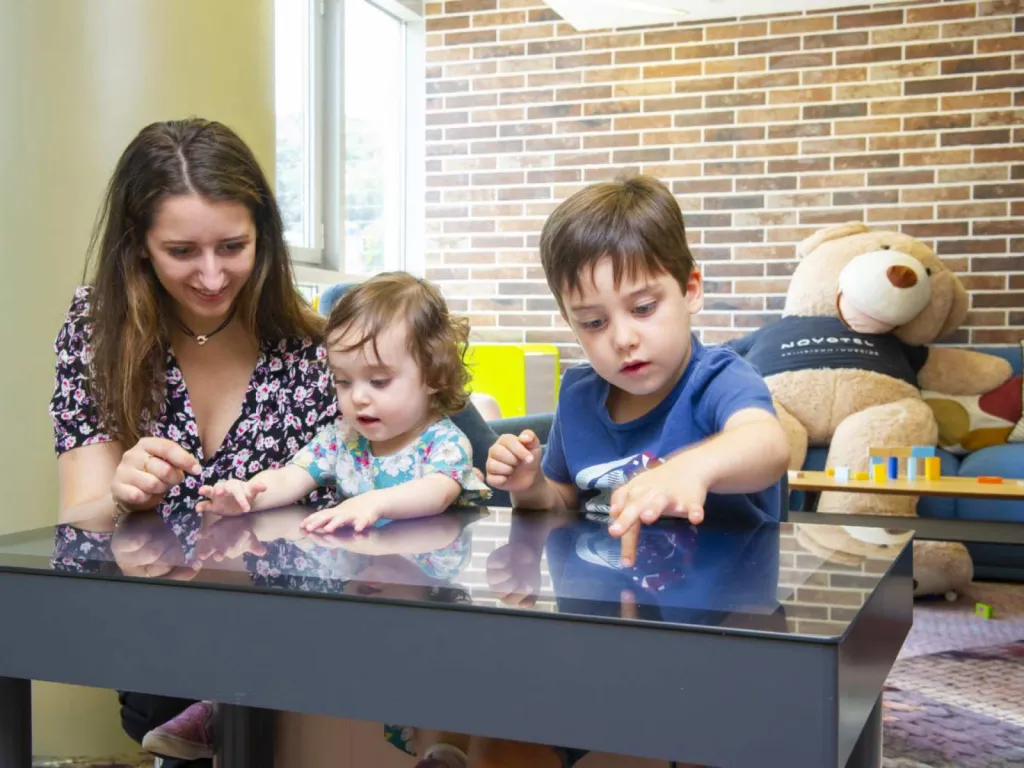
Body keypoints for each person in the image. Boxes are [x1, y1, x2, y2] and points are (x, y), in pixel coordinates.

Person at [50, 117, 337, 768]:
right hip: (161, 647)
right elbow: (79, 517)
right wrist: (121, 494)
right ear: (138, 245)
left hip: (298, 647)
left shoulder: (311, 349)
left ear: (264, 237)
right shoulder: (97, 329)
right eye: (182, 252)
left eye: (233, 246)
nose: (212, 276)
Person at [478, 173, 791, 766]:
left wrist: (690, 469)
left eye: (644, 307)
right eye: (592, 322)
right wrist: (530, 486)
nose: (623, 338)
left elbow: (767, 444)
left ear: (691, 288)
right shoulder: (577, 395)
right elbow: (567, 498)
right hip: (601, 630)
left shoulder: (718, 379)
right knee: (507, 721)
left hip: (719, 631)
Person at [144, 271, 490, 759]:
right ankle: (220, 710)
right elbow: (294, 476)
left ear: (433, 376)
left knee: (437, 667)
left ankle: (443, 746)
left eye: (379, 381)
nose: (358, 397)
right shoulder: (341, 439)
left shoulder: (442, 441)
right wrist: (245, 494)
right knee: (270, 628)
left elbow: (439, 490)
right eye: (343, 381)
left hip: (422, 596)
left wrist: (375, 501)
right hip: (351, 593)